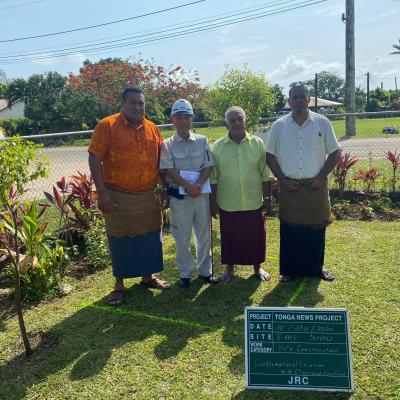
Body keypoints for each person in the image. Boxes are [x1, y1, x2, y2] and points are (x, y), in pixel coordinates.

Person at [88, 86, 170, 306]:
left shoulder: (153, 128)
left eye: (141, 103)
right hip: (118, 197)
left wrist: (165, 188)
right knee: (120, 240)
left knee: (151, 238)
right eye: (133, 102)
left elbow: (161, 162)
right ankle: (119, 285)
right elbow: (94, 158)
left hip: (147, 197)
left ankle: (148, 277)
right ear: (123, 104)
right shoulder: (107, 126)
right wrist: (102, 192)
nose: (137, 107)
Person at [265, 82, 340, 282]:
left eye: (302, 96)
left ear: (309, 99)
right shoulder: (279, 126)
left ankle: (317, 268)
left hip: (316, 186)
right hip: (290, 186)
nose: (298, 100)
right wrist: (282, 180)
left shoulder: (322, 123)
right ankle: (289, 271)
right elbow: (270, 156)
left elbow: (335, 153)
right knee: (290, 230)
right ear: (289, 101)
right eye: (294, 97)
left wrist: (321, 177)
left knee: (317, 229)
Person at [210, 106, 272, 283]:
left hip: (253, 200)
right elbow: (214, 178)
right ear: (226, 124)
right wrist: (213, 202)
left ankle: (257, 267)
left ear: (246, 121)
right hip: (228, 201)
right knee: (230, 236)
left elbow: (265, 173)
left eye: (240, 119)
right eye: (232, 120)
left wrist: (267, 198)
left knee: (256, 235)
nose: (237, 123)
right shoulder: (217, 147)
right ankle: (229, 268)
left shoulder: (258, 143)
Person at [160, 99, 217, 288]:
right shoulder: (167, 144)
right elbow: (168, 170)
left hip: (201, 195)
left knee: (204, 234)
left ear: (192, 119)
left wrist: (198, 184)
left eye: (187, 117)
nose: (183, 121)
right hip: (180, 198)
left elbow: (208, 165)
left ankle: (205, 271)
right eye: (179, 117)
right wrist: (188, 186)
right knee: (181, 237)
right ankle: (185, 273)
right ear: (172, 120)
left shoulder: (202, 140)